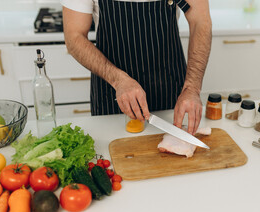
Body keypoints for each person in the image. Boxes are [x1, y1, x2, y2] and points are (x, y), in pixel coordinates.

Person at [62, 0, 212, 134]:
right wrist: (119, 80)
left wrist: (192, 88)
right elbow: (74, 37)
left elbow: (201, 21)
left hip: (170, 88)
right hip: (112, 92)